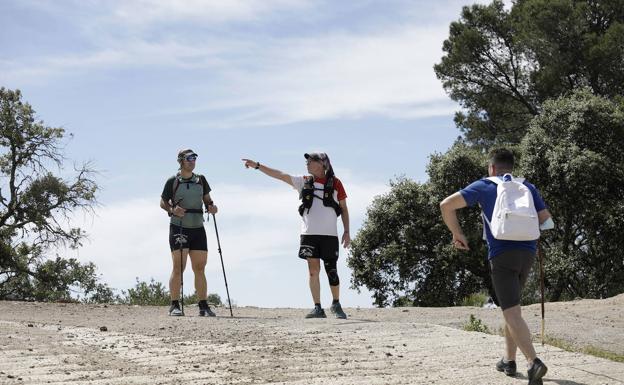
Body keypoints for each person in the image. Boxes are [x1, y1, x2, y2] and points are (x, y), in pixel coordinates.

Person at [439, 148, 551, 385]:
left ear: (491, 168)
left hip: (501, 254)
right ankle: (509, 361)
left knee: (511, 311)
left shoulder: (485, 186)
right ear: (512, 167)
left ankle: (533, 363)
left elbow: (446, 205)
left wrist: (457, 234)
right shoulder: (527, 187)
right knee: (512, 308)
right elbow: (547, 221)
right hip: (527, 253)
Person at [242, 153, 350, 319]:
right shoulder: (304, 181)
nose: (307, 163)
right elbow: (280, 175)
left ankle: (336, 303)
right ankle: (317, 308)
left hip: (330, 235)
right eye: (306, 161)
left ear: (322, 163)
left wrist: (347, 231)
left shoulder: (336, 183)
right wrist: (257, 165)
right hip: (309, 235)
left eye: (310, 161)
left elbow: (343, 209)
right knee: (313, 271)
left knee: (332, 271)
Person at [160, 149, 218, 317]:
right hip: (179, 227)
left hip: (198, 228)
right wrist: (172, 210)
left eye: (194, 158)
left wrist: (212, 208)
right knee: (179, 267)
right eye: (189, 158)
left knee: (200, 267)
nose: (193, 161)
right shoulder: (173, 181)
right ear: (181, 161)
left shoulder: (201, 180)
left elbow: (207, 201)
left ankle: (203, 305)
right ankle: (174, 305)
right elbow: (162, 202)